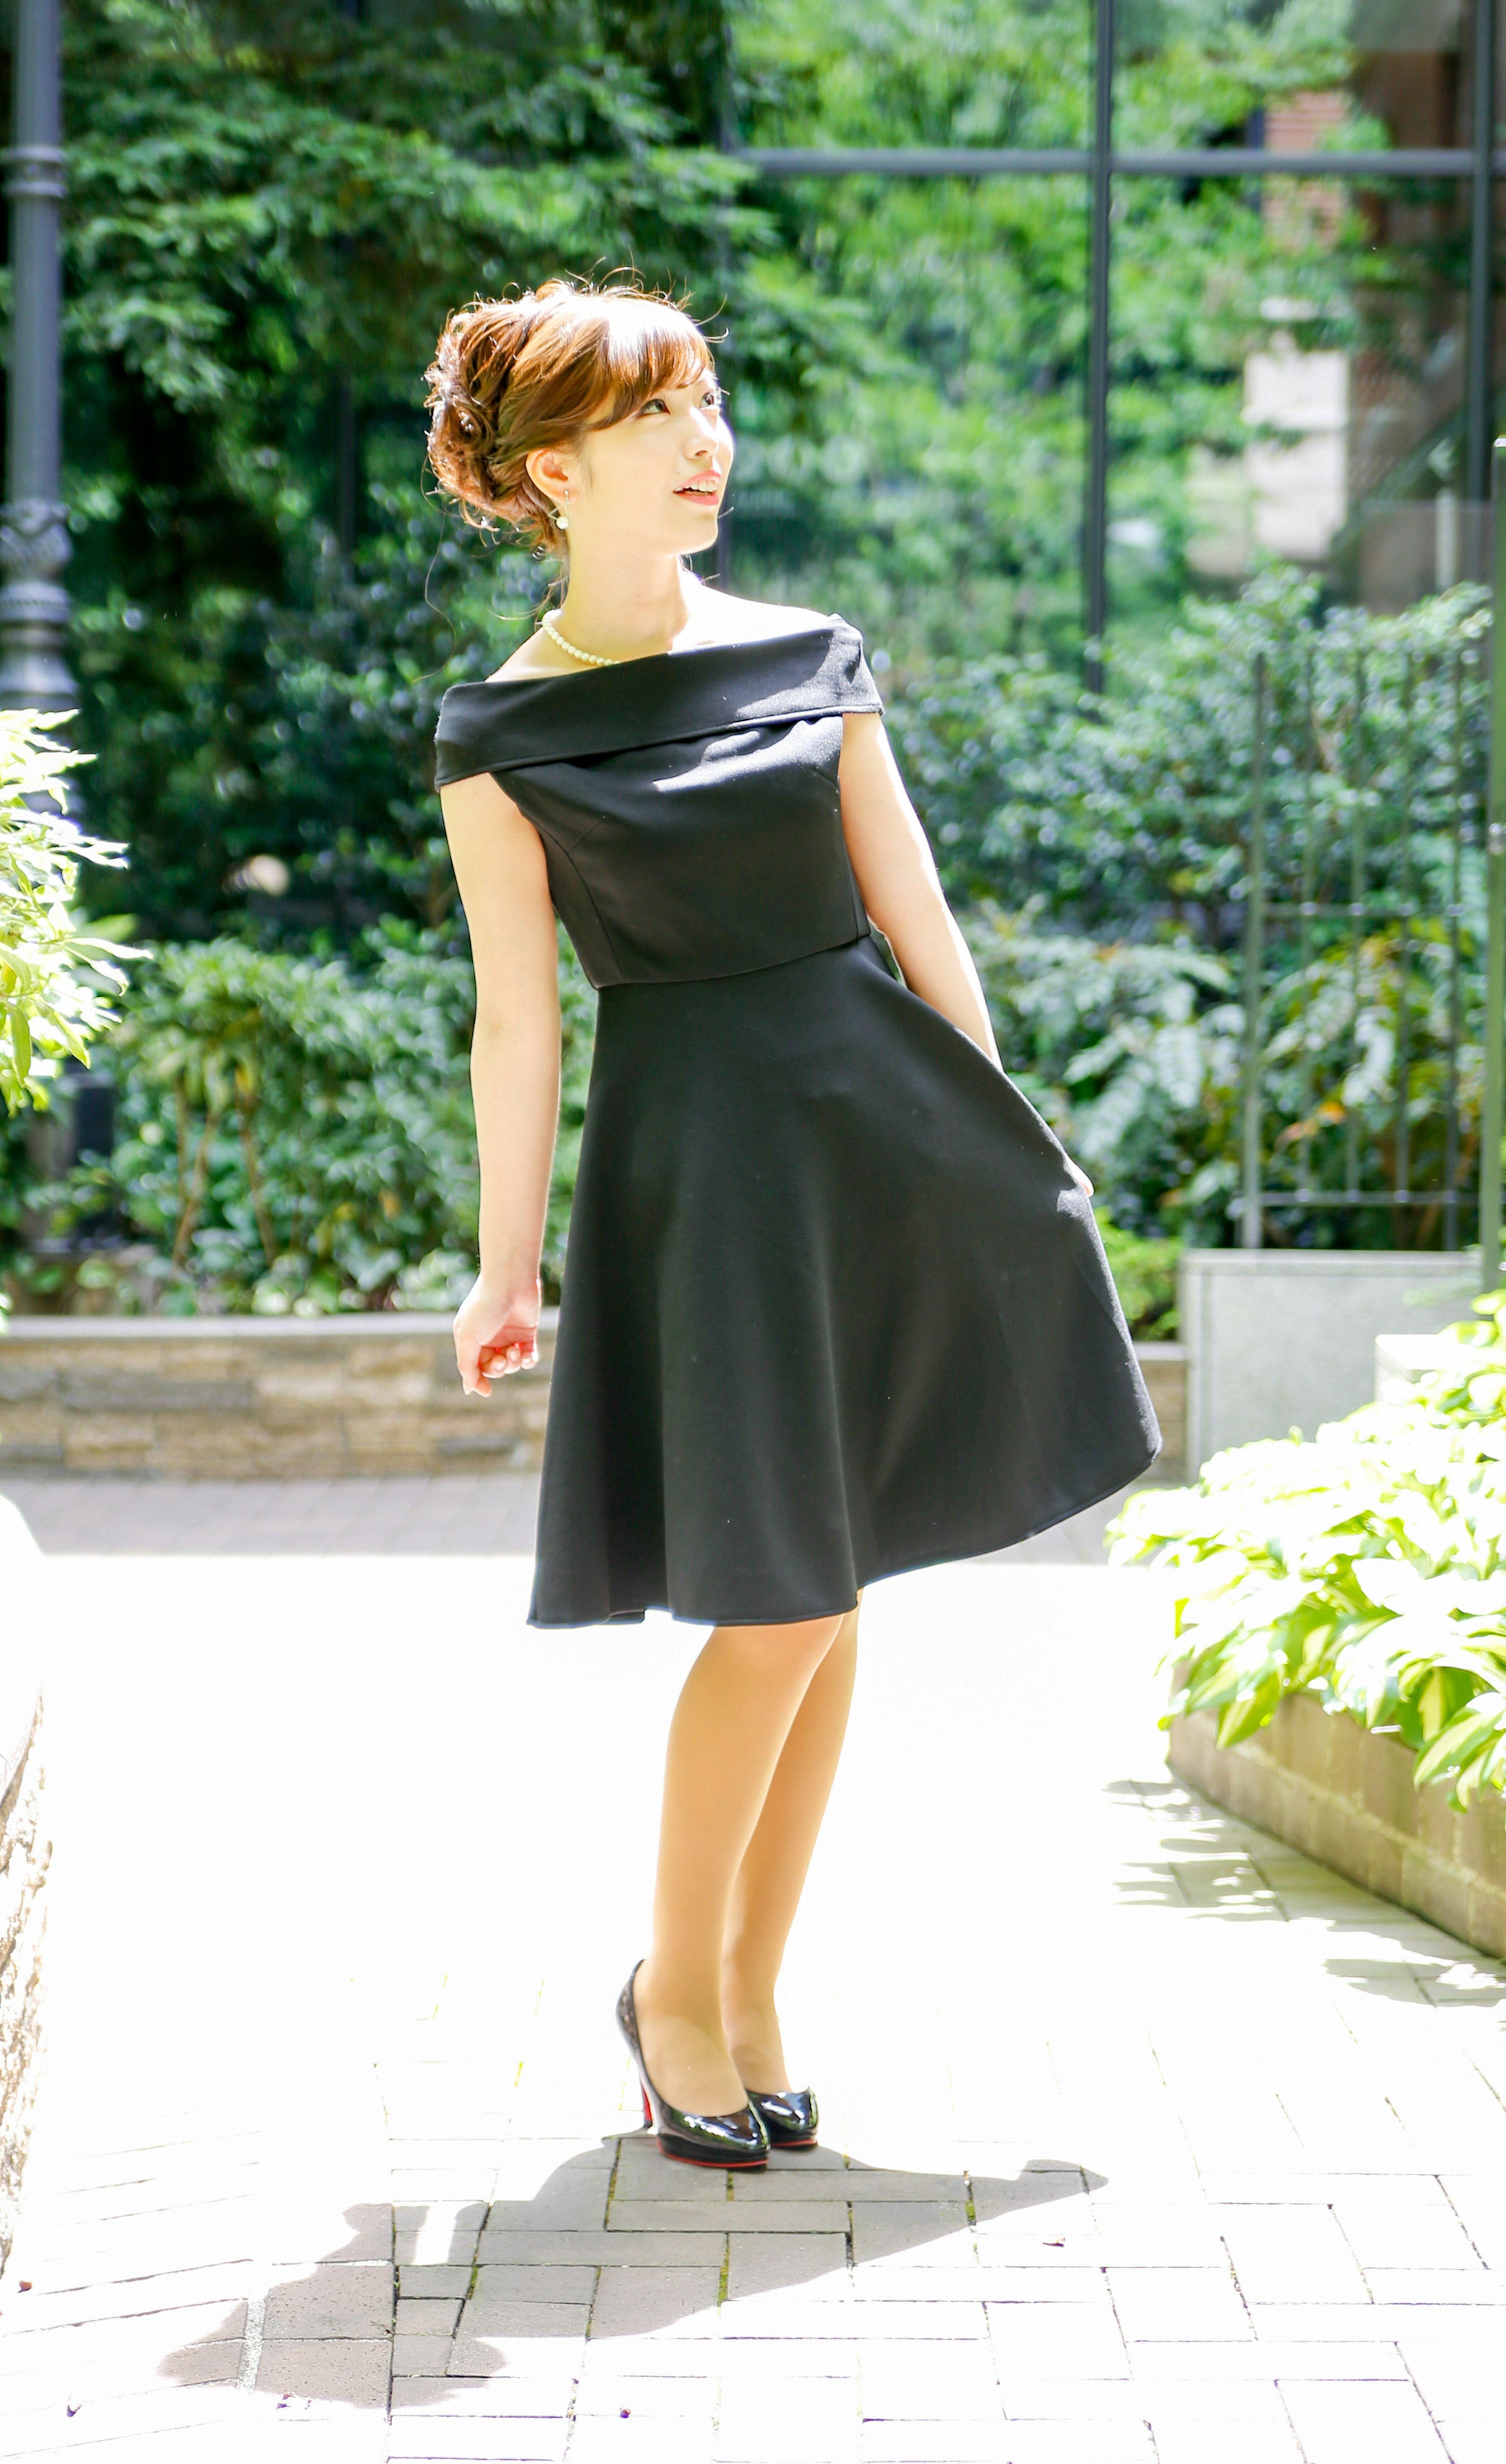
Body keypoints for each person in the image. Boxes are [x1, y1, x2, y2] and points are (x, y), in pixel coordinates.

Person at [427, 277, 1157, 2170]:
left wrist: (1000, 1134)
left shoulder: (811, 654)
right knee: (783, 1600)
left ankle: (743, 1993)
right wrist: (507, 1268)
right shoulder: (498, 736)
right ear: (557, 470)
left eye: (710, 402)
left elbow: (917, 918)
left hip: (878, 1127)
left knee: (832, 1607)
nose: (708, 441)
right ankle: (674, 1994)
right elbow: (521, 1018)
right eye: (664, 414)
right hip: (704, 1169)